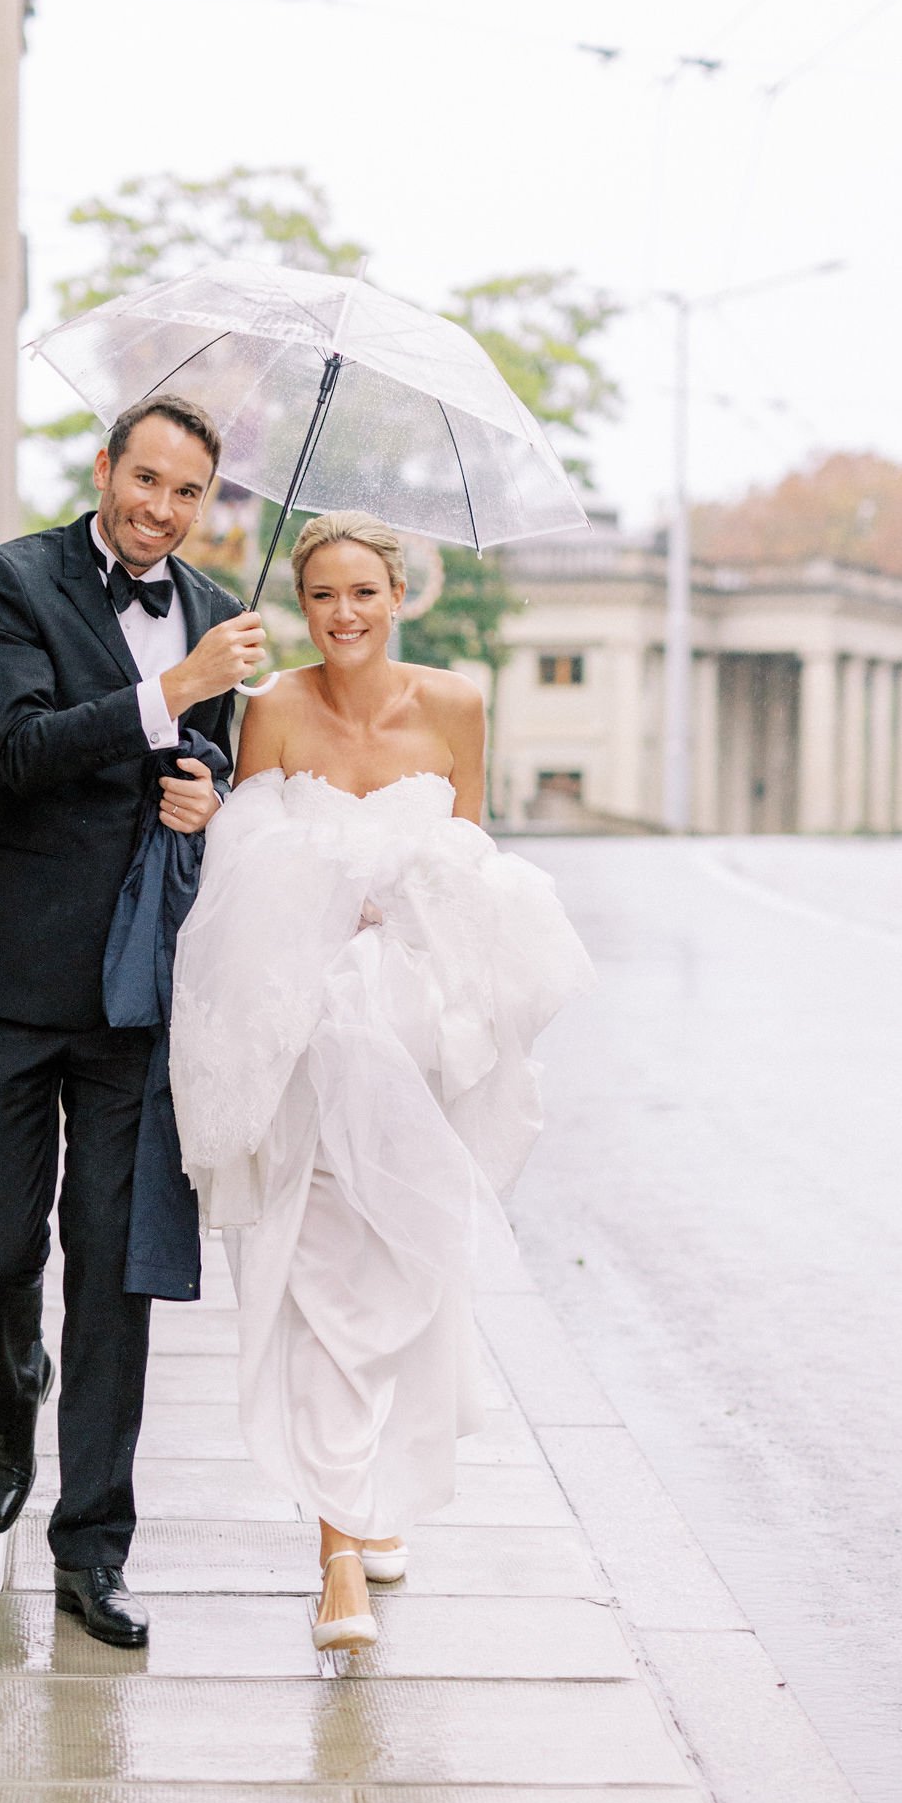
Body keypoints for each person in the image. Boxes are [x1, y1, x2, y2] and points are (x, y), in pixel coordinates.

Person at [170, 510, 594, 1654]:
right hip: (309, 1037)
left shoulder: (455, 705)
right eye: (321, 596)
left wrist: (399, 897)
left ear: (398, 593)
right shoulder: (273, 708)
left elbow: (474, 871)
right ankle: (337, 1558)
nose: (342, 614)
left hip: (416, 1043)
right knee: (317, 1279)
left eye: (363, 591)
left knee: (406, 1268)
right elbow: (236, 880)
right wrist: (239, 830)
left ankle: (374, 1493)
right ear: (300, 605)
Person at [0, 394, 265, 1650]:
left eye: (188, 493)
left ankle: (94, 1548)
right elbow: (15, 747)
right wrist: (173, 690)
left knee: (115, 1277)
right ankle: (12, 1378)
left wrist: (205, 788)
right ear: (105, 465)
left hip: (134, 992)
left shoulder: (224, 619)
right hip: (5, 976)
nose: (162, 509)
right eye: (147, 478)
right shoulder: (1, 583)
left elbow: (211, 759)